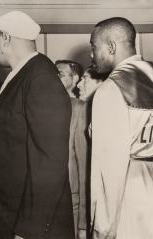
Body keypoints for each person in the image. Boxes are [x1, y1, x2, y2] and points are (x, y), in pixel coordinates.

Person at [0, 11, 74, 239]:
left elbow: (50, 160)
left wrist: (29, 230)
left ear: (5, 38)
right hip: (7, 213)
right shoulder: (22, 76)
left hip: (25, 224)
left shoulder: (40, 78)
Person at [90, 17, 153, 239]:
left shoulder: (111, 89)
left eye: (94, 46)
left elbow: (108, 166)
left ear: (111, 47)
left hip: (129, 196)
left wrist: (103, 227)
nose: (91, 54)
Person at [55, 61, 88, 239]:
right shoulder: (41, 106)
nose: (53, 77)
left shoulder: (79, 108)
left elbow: (83, 167)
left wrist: (82, 222)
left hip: (71, 204)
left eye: (59, 73)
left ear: (75, 79)